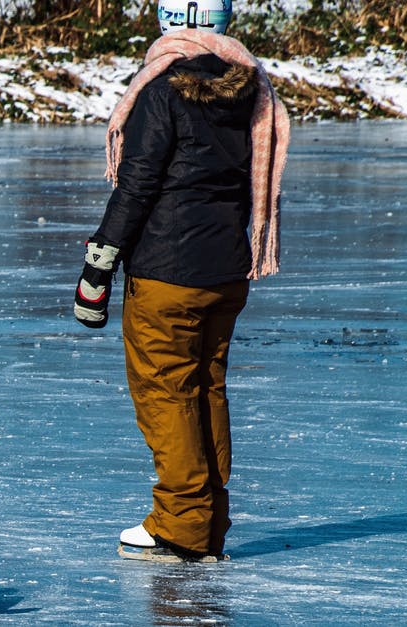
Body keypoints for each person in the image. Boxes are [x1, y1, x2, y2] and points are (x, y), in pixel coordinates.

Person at [74, 0, 289, 562]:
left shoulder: (162, 90)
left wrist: (99, 261)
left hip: (168, 274)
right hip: (226, 271)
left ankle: (180, 527)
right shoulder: (251, 90)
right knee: (205, 391)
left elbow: (137, 183)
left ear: (167, 21)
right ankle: (208, 522)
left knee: (167, 394)